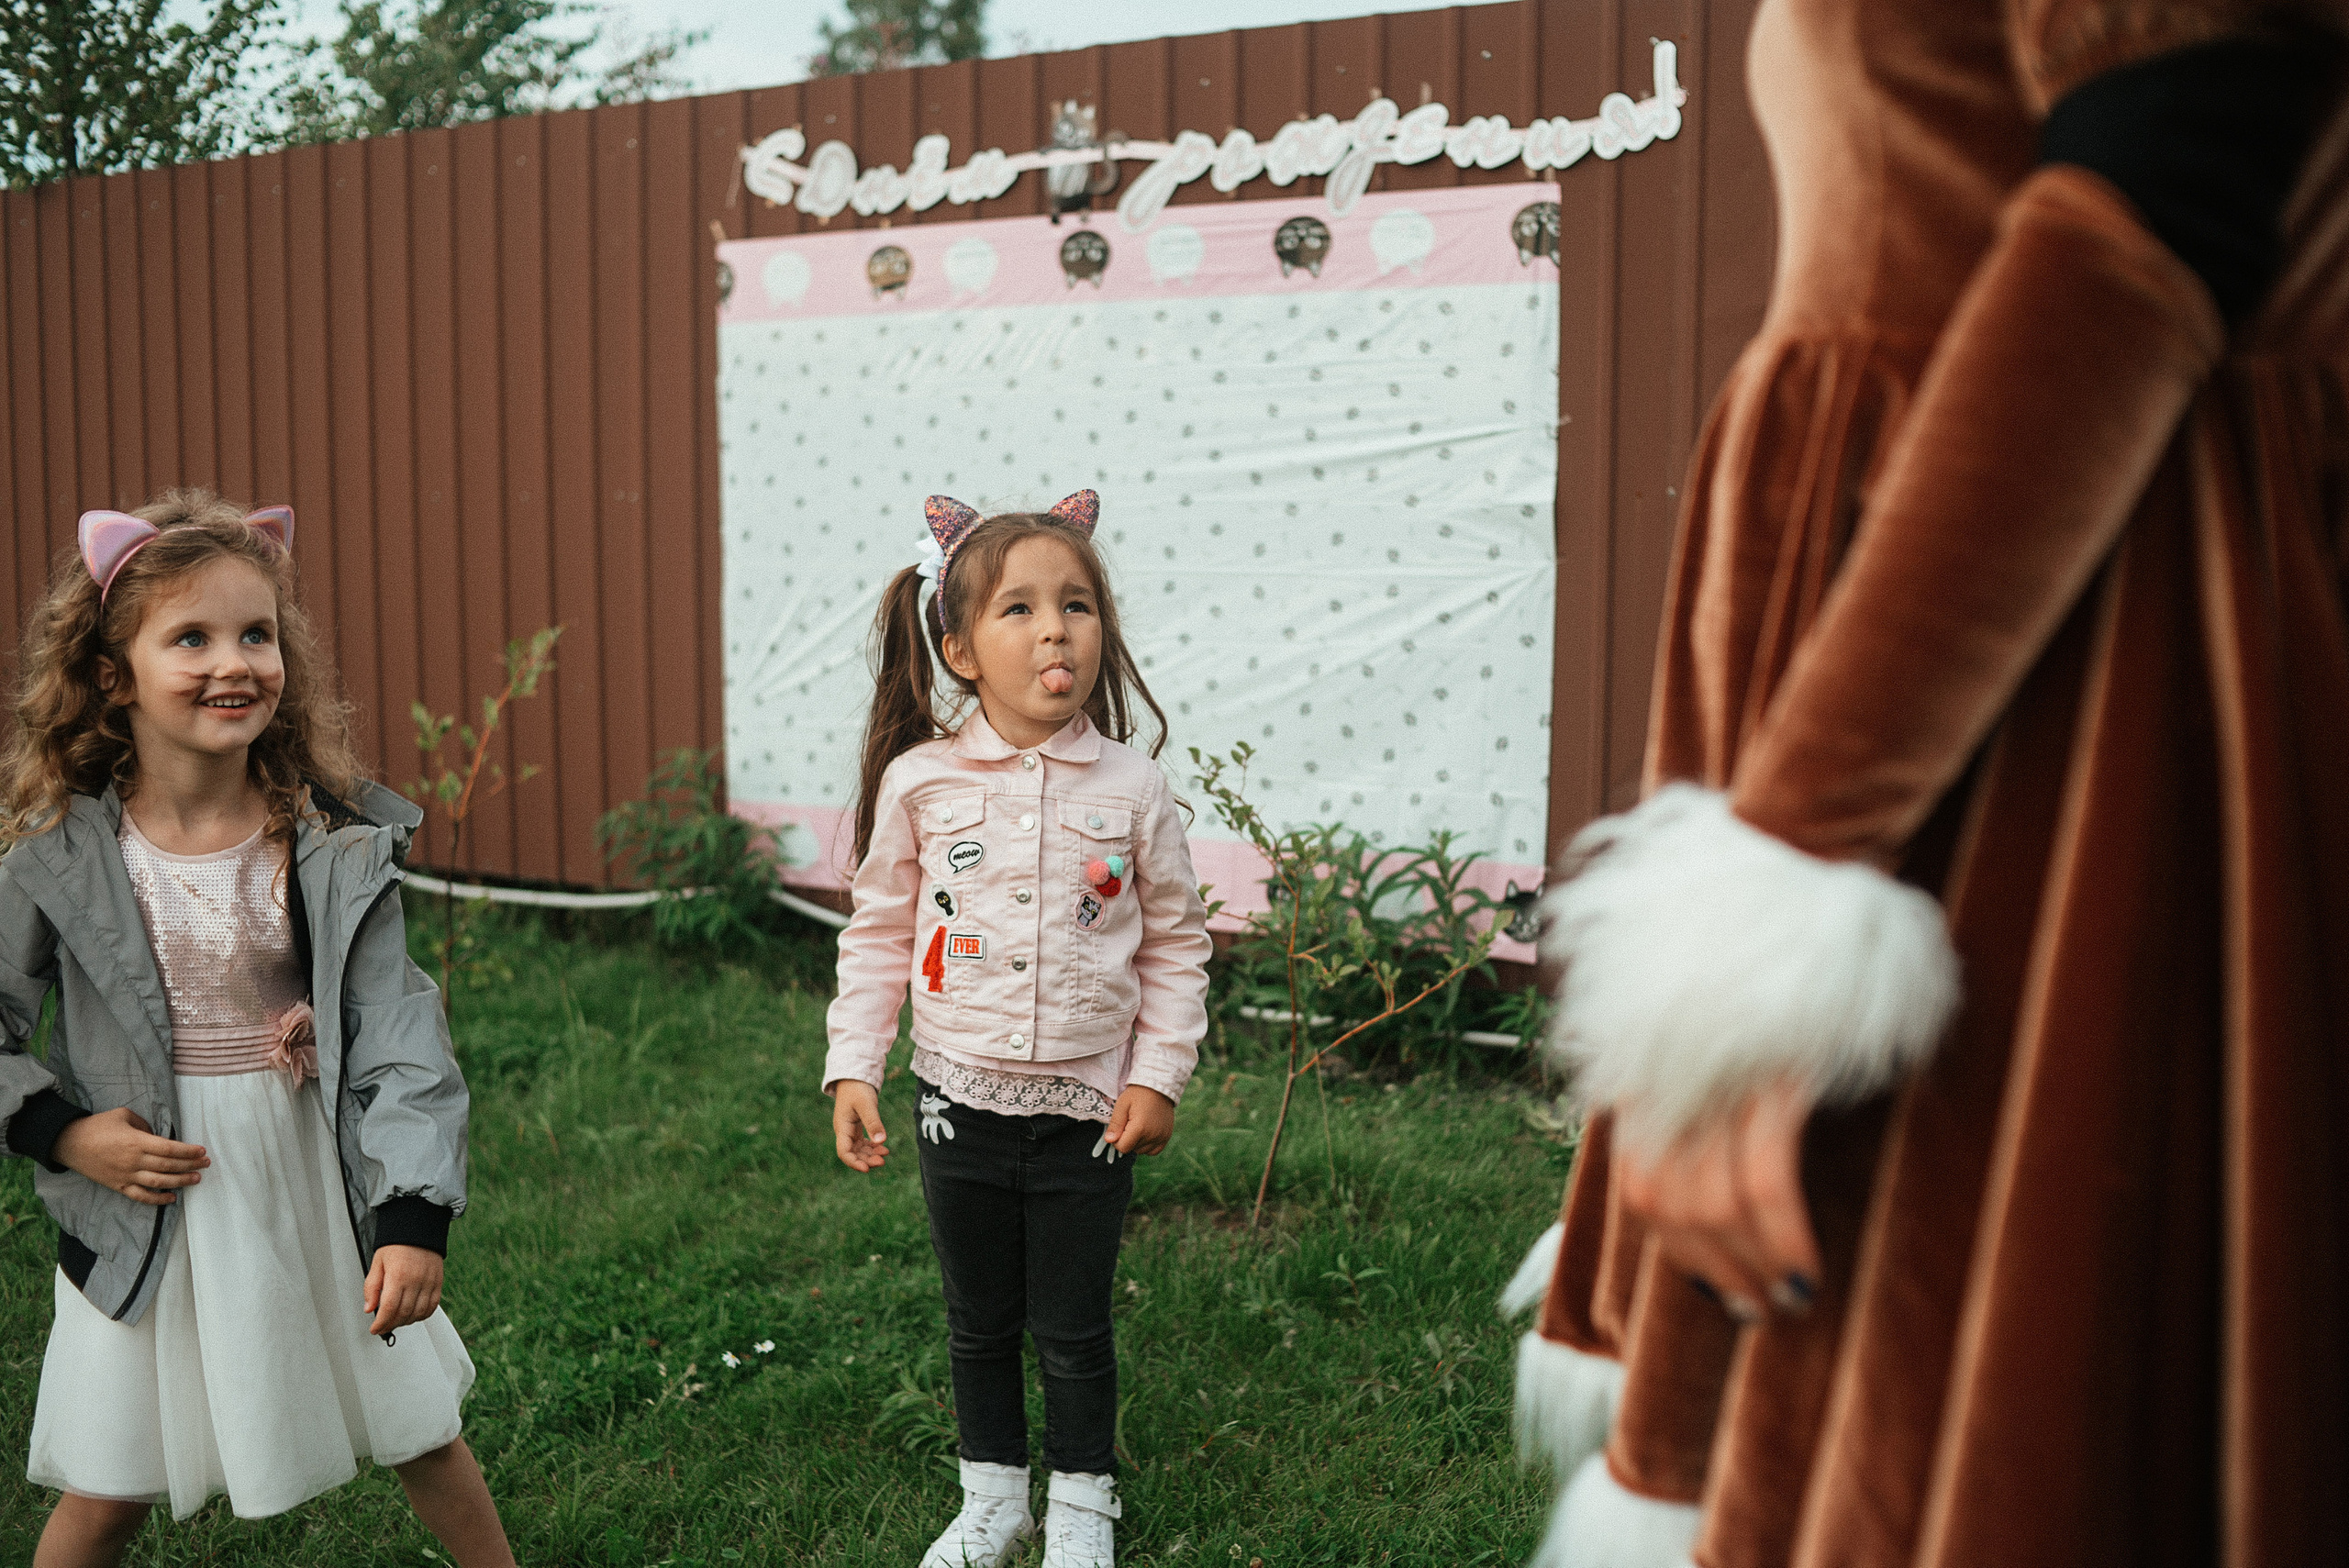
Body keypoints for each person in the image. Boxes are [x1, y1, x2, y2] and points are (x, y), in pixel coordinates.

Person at [1510, 4, 2349, 1565]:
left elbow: (2169, 181)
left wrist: (1782, 907)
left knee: (1949, 1416)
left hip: (2053, 711)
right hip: (2005, 673)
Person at [0, 492, 512, 1567]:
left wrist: (412, 1211)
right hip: (150, 1202)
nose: (234, 661)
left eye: (256, 633)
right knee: (110, 1480)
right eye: (190, 636)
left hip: (309, 1182)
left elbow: (400, 1033)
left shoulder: (326, 845)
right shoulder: (61, 856)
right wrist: (62, 1129)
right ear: (111, 673)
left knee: (422, 1429)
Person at [823, 489, 1211, 1568]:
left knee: (1074, 1322)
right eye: (1021, 610)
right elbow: (877, 931)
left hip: (1091, 1103)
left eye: (1077, 605)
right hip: (957, 1098)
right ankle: (995, 1498)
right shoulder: (922, 783)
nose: (1056, 630)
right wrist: (854, 1064)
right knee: (979, 1316)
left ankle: (1084, 1505)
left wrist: (1159, 1073)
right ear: (957, 648)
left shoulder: (1133, 790)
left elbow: (1177, 945)